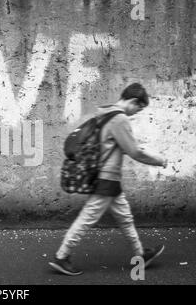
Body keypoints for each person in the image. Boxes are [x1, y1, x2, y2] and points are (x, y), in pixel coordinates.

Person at [49, 83, 168, 276]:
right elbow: (134, 151)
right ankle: (61, 257)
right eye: (139, 107)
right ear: (133, 101)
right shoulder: (119, 119)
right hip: (106, 179)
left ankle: (140, 254)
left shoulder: (104, 113)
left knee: (125, 218)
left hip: (108, 179)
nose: (137, 112)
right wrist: (160, 160)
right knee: (86, 219)